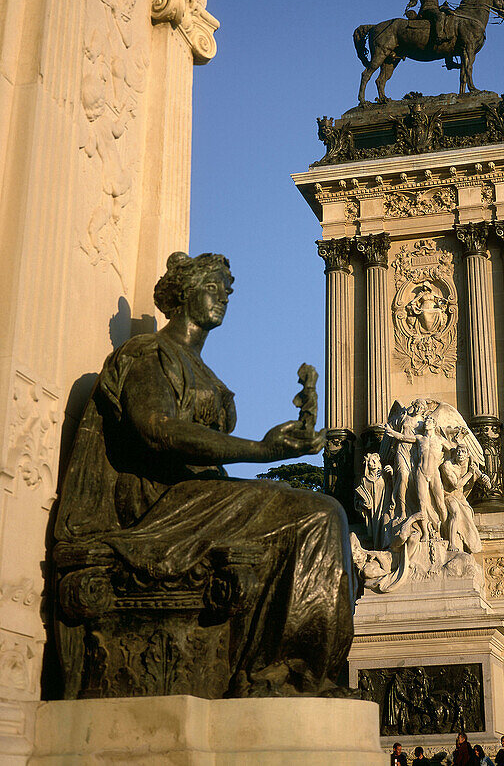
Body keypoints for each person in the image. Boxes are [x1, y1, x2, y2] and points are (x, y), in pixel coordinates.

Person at [52, 251, 353, 699]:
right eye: (212, 287)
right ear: (182, 295)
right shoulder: (149, 353)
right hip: (161, 501)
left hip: (200, 494)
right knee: (320, 514)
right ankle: (284, 673)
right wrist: (262, 450)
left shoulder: (199, 366)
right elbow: (159, 430)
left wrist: (282, 440)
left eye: (226, 290)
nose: (223, 297)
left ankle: (299, 671)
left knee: (321, 514)